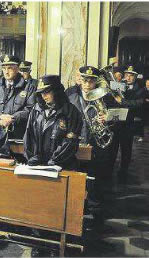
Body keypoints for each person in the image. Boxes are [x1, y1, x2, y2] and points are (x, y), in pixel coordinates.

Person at [66, 66, 121, 234]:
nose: (87, 83)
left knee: (95, 182)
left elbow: (122, 115)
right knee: (76, 179)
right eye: (84, 79)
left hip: (96, 146)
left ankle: (97, 219)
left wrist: (109, 118)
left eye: (90, 80)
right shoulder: (71, 94)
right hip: (76, 143)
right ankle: (76, 215)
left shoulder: (106, 96)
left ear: (96, 81)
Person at [23, 75, 82, 170]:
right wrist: (31, 157)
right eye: (41, 92)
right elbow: (28, 135)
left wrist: (55, 159)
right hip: (37, 164)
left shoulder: (71, 111)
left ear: (56, 91)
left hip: (62, 165)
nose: (43, 96)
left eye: (47, 92)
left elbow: (70, 141)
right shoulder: (36, 110)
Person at [0, 55, 37, 139]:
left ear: (17, 69)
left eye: (10, 68)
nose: (6, 72)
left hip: (18, 133)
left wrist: (12, 118)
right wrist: (0, 115)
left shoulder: (28, 88)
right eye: (4, 68)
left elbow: (31, 108)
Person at [115, 64, 148, 184]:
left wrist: (122, 101)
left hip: (128, 124)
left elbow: (138, 103)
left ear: (135, 77)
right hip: (115, 123)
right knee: (113, 149)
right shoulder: (119, 85)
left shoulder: (140, 90)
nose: (128, 78)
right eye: (127, 75)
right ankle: (110, 170)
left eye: (131, 76)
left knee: (126, 150)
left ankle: (123, 172)